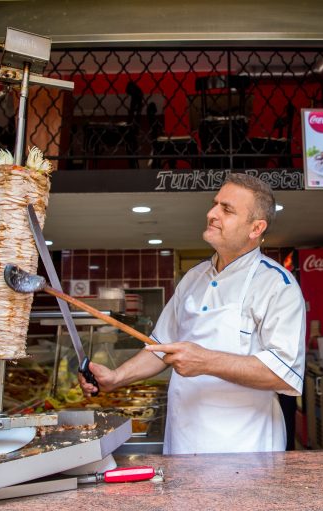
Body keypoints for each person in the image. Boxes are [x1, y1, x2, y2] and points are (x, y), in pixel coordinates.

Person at [80, 173, 306, 454]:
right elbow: (159, 347)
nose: (211, 214)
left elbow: (284, 374)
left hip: (245, 450)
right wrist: (117, 377)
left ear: (255, 228)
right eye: (215, 204)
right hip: (183, 444)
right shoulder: (193, 278)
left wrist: (206, 361)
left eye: (227, 209)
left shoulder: (277, 285)